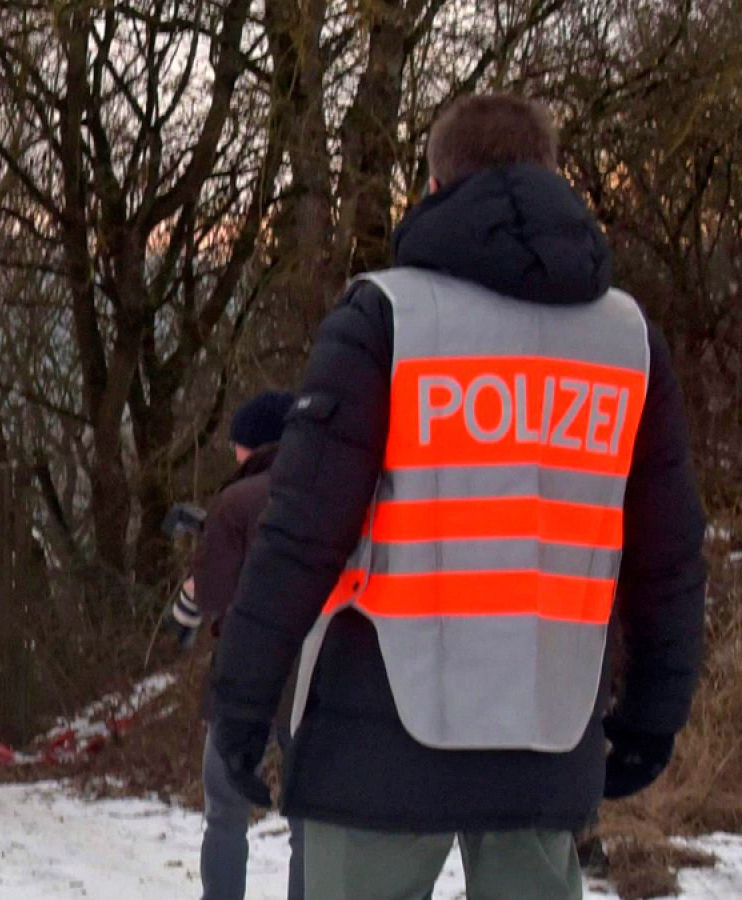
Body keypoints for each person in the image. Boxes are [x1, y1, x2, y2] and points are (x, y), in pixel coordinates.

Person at [210, 93, 707, 899]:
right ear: (556, 179)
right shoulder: (628, 343)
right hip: (549, 724)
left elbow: (302, 531)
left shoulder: (387, 318)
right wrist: (657, 706)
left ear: (435, 187)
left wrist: (242, 701)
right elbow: (669, 553)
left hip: (379, 725)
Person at [189, 391, 304, 900]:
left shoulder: (234, 502)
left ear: (251, 446)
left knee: (225, 816)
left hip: (243, 671)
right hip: (315, 672)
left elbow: (213, 596)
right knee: (310, 818)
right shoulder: (325, 490)